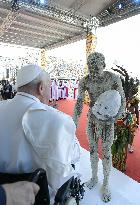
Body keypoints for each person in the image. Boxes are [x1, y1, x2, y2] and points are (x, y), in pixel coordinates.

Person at [0, 64, 80, 203]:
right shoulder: (58, 119)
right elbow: (70, 160)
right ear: (41, 88)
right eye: (49, 87)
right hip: (35, 195)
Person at [73, 52, 126, 203]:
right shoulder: (85, 80)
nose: (93, 72)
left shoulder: (113, 78)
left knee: (107, 152)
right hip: (92, 118)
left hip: (108, 121)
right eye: (90, 68)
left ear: (103, 65)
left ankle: (106, 183)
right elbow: (79, 102)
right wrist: (74, 120)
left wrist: (116, 117)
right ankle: (94, 177)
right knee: (92, 149)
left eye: (96, 68)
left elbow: (122, 99)